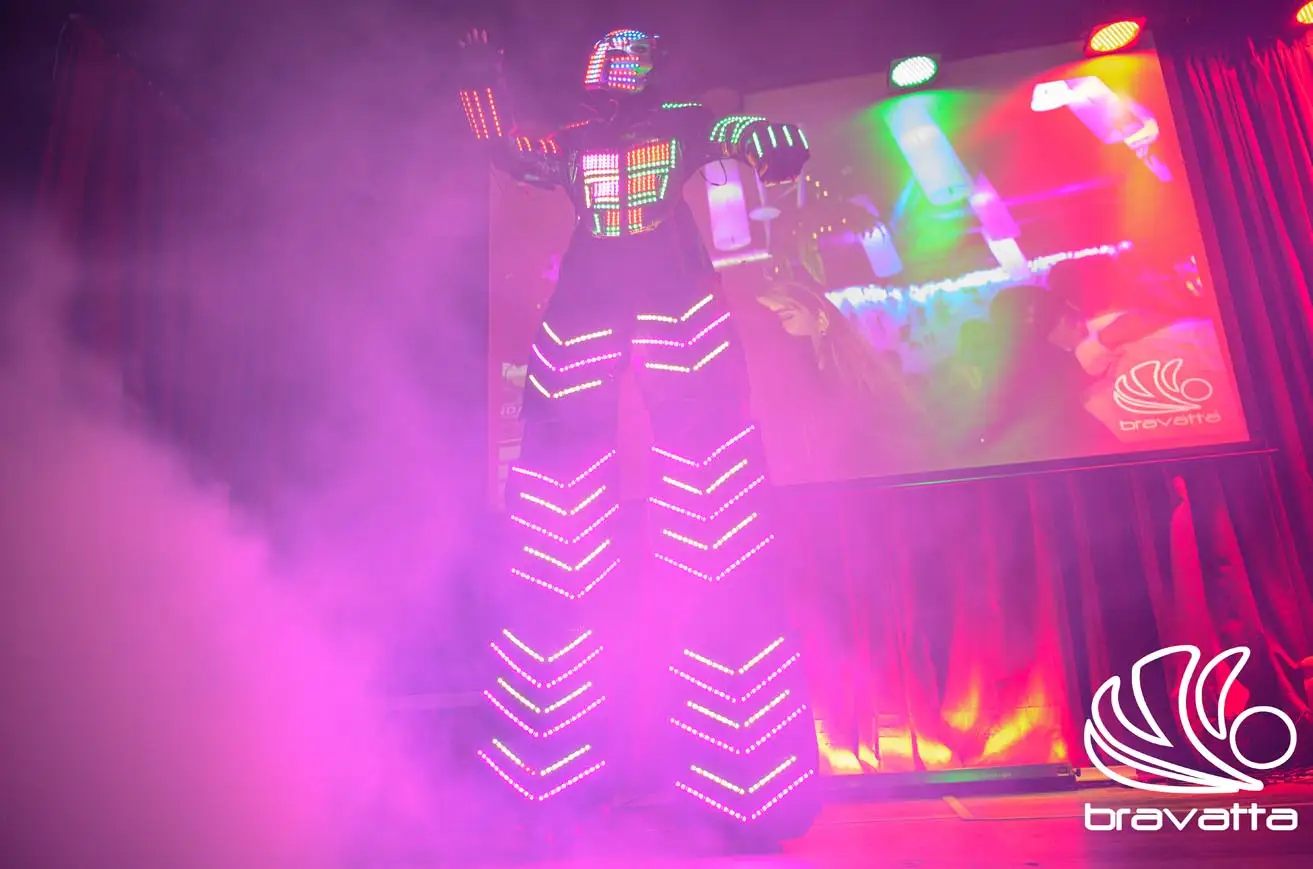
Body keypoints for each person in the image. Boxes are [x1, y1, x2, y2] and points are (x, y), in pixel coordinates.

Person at [456, 28, 820, 843]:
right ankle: (545, 776)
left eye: (624, 62)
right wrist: (480, 82)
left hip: (675, 316)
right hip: (587, 319)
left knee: (713, 511)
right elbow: (508, 149)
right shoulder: (575, 141)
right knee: (555, 525)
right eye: (605, 63)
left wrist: (767, 138)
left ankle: (739, 776)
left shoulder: (681, 121)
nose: (609, 74)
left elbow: (730, 130)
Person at [753, 280, 922, 481]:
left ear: (821, 320)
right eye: (766, 326)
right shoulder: (768, 403)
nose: (778, 330)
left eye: (786, 317)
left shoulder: (869, 391)